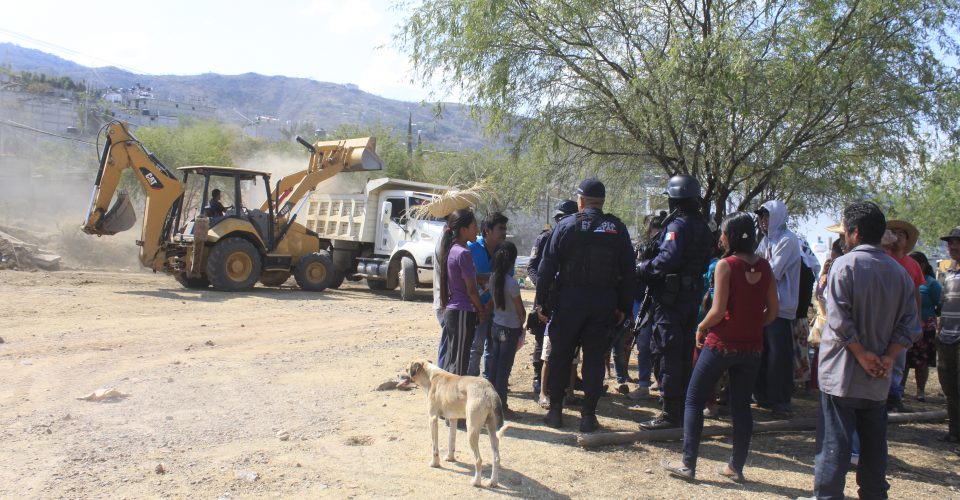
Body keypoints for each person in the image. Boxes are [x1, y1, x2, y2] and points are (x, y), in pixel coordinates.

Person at [808, 201, 920, 500]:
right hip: (878, 379)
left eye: (845, 230)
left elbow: (839, 318)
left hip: (842, 375)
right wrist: (888, 356)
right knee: (873, 451)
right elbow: (911, 324)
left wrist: (860, 354)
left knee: (834, 448)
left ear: (855, 233)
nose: (843, 235)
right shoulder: (900, 273)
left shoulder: (845, 265)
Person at [660, 212, 778, 481]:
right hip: (752, 348)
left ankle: (688, 464)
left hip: (721, 344)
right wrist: (751, 325)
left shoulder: (726, 265)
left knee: (693, 398)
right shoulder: (766, 267)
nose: (721, 237)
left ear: (732, 235)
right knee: (741, 407)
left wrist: (701, 327)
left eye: (724, 232)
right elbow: (773, 311)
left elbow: (717, 309)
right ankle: (736, 467)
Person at [536, 178, 635, 432]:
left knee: (560, 356)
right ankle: (588, 417)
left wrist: (542, 305)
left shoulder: (566, 226)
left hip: (569, 302)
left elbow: (547, 268)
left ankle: (556, 413)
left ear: (580, 201)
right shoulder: (617, 229)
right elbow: (629, 271)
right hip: (603, 304)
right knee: (593, 359)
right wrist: (623, 307)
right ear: (602, 202)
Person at [636, 175, 713, 429]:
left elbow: (668, 259)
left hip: (671, 301)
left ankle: (670, 413)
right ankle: (680, 409)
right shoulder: (702, 226)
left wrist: (643, 267)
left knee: (666, 353)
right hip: (689, 298)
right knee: (681, 354)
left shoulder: (677, 227)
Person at [753, 200, 802, 419]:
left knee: (778, 355)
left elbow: (771, 271)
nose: (763, 221)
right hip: (763, 304)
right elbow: (756, 265)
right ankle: (762, 395)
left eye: (766, 216)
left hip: (781, 306)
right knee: (763, 353)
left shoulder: (788, 240)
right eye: (761, 217)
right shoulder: (765, 241)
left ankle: (781, 399)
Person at [527, 200, 577, 397]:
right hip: (547, 297)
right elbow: (532, 267)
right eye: (559, 218)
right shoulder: (545, 238)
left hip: (568, 297)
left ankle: (567, 380)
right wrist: (543, 288)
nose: (561, 222)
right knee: (542, 338)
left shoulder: (577, 239)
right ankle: (539, 377)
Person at [882, 220, 924, 413]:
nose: (898, 236)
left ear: (907, 241)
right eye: (895, 232)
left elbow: (916, 293)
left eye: (902, 234)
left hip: (904, 320)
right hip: (883, 319)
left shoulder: (913, 265)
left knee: (899, 360)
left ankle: (895, 397)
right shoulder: (882, 258)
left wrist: (918, 320)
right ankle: (879, 397)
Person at [438, 209, 486, 376]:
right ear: (464, 230)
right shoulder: (464, 253)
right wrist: (481, 311)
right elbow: (471, 291)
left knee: (453, 360)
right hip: (463, 312)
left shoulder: (452, 249)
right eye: (474, 226)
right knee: (459, 365)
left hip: (454, 311)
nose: (477, 230)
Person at [628, 211, 668, 401]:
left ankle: (662, 385)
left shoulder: (668, 249)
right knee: (643, 344)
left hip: (660, 301)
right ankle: (644, 384)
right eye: (654, 229)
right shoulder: (642, 248)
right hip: (641, 301)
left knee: (660, 345)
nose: (656, 233)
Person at [485, 241, 525, 419]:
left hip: (496, 326)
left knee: (493, 367)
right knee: (504, 369)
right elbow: (521, 311)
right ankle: (502, 407)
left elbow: (493, 303)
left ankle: (490, 405)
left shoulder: (493, 278)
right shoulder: (512, 284)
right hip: (510, 330)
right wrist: (522, 323)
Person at [467, 212, 509, 377]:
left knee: (492, 346)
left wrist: (491, 302)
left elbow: (506, 279)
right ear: (487, 231)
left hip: (495, 307)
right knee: (475, 346)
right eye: (500, 228)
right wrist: (486, 277)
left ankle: (488, 380)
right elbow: (466, 276)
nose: (504, 232)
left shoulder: (505, 251)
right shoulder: (471, 248)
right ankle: (471, 379)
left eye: (505, 228)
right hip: (475, 307)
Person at [904, 251, 942, 402]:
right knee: (904, 358)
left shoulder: (932, 283)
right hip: (906, 324)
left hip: (926, 326)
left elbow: (940, 304)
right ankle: (899, 389)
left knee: (922, 360)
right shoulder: (905, 279)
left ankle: (920, 391)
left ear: (922, 265)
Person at [937, 226, 960, 445]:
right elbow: (944, 306)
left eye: (957, 242)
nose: (952, 246)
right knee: (949, 386)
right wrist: (939, 331)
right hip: (946, 337)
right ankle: (954, 431)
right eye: (950, 243)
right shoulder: (949, 274)